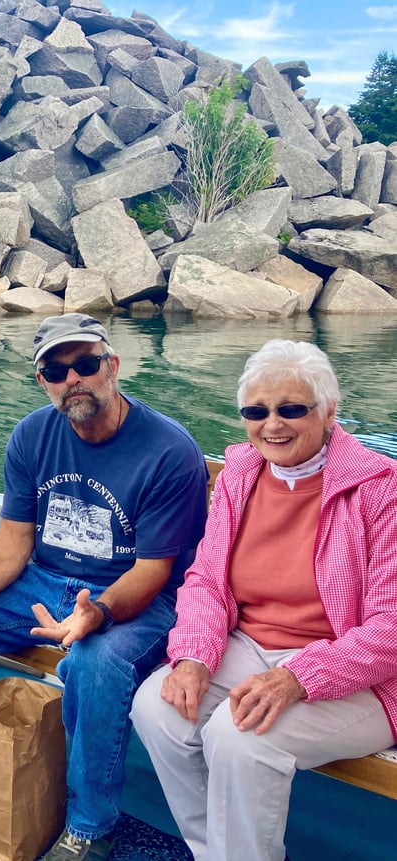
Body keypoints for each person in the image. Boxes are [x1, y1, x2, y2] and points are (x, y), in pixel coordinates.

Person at [0, 313, 208, 861]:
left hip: (135, 596)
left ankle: (91, 824)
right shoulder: (31, 434)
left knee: (96, 662)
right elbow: (15, 538)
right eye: (55, 370)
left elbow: (155, 571)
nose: (73, 379)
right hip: (47, 581)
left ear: (112, 367)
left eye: (86, 364)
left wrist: (99, 613)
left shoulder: (169, 450)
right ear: (42, 381)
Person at [130, 340, 397, 861]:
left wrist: (301, 676)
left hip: (361, 671)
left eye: (291, 409)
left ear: (329, 411)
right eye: (256, 411)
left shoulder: (379, 490)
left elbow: (392, 623)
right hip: (252, 646)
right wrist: (192, 658)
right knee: (157, 709)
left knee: (242, 737)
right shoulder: (240, 475)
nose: (271, 424)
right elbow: (206, 579)